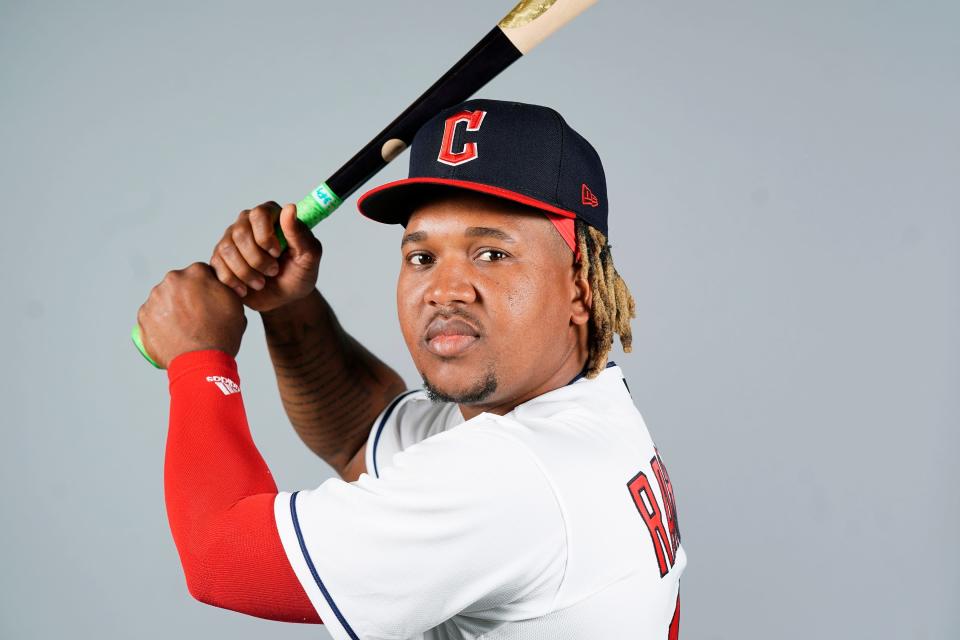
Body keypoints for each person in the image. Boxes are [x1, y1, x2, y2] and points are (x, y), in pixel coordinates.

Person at [137, 99, 686, 639]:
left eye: (491, 254)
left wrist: (199, 358)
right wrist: (287, 307)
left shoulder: (516, 473)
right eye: (422, 258)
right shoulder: (579, 412)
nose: (443, 291)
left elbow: (222, 559)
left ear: (582, 287)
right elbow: (359, 437)